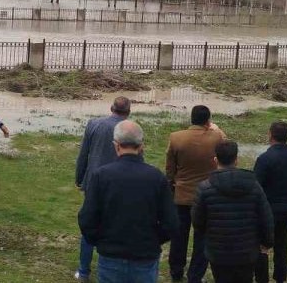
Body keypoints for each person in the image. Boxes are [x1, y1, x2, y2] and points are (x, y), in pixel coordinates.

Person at [78, 120, 179, 283]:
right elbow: (171, 222)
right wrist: (154, 240)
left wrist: (100, 241)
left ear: (116, 146)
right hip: (145, 255)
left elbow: (87, 218)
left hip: (111, 255)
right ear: (141, 147)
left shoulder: (101, 176)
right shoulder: (156, 178)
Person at [192, 140, 274, 283]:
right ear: (236, 160)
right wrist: (267, 242)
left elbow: (198, 221)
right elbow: (266, 217)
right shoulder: (254, 186)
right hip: (247, 250)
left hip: (218, 250)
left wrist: (208, 236)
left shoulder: (204, 188)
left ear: (215, 160)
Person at [73, 96, 132, 281]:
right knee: (118, 226)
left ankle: (83, 271)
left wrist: (79, 177)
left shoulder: (94, 124)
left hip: (94, 182)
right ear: (128, 112)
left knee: (90, 225)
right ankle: (117, 267)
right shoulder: (131, 129)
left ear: (111, 108)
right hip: (121, 185)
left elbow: (84, 153)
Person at [165, 105, 226, 283]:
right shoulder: (216, 138)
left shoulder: (176, 137)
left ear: (191, 118)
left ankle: (176, 271)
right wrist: (217, 129)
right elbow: (227, 148)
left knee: (179, 236)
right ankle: (195, 275)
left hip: (182, 194)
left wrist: (173, 182)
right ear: (208, 120)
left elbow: (170, 168)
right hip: (206, 196)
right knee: (202, 238)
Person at [253, 121, 287, 283]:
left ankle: (262, 278)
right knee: (282, 244)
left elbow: (256, 187)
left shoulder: (264, 159)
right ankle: (280, 277)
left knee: (262, 245)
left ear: (270, 134)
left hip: (267, 209)